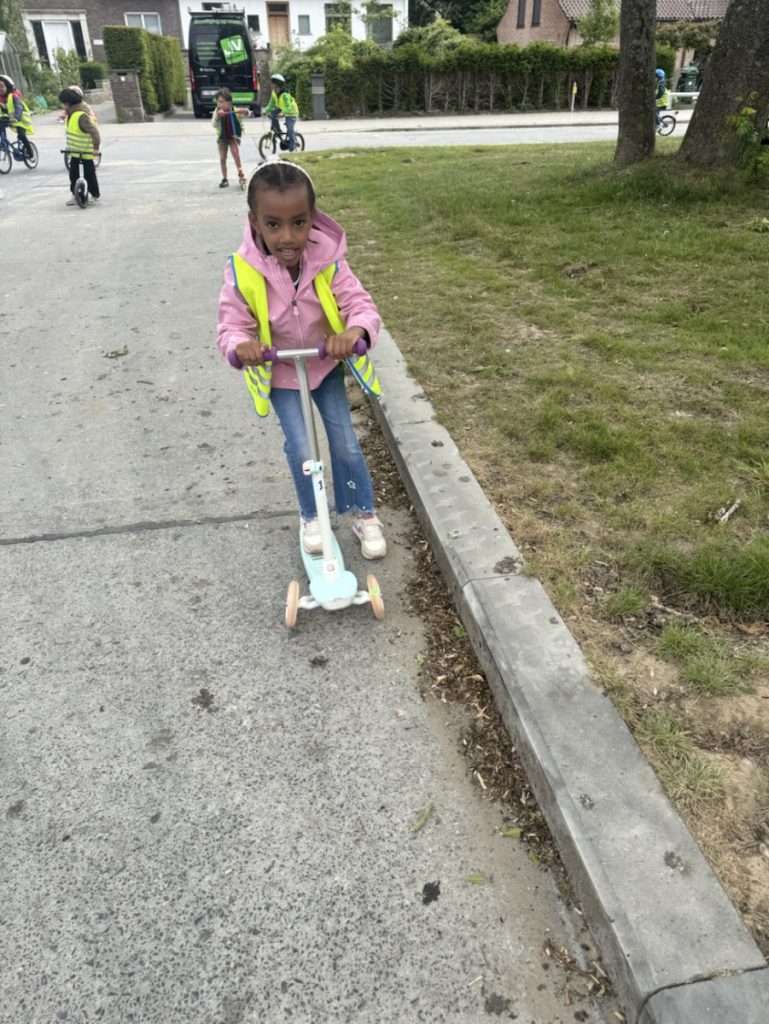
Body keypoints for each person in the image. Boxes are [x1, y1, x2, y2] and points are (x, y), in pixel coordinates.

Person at [217, 161, 387, 559]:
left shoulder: (329, 261)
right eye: (273, 225)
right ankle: (311, 516)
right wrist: (241, 345)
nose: (288, 237)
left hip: (324, 365)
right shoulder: (242, 270)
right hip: (280, 371)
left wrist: (355, 332)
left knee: (345, 442)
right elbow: (231, 324)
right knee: (301, 448)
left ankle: (363, 512)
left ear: (313, 219)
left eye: (298, 223)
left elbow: (359, 304)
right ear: (255, 223)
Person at [59, 87, 101, 206]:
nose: (62, 106)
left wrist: (96, 148)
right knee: (73, 174)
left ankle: (95, 195)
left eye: (63, 104)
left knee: (89, 174)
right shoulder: (70, 114)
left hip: (87, 152)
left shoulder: (81, 116)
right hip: (74, 152)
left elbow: (94, 132)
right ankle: (75, 194)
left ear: (67, 104)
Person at [212, 88, 246, 188]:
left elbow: (246, 114)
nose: (219, 104)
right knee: (223, 158)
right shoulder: (217, 112)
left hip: (232, 136)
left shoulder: (235, 110)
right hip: (222, 138)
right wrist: (218, 116)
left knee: (236, 155)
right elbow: (214, 125)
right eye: (218, 102)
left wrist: (245, 111)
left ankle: (241, 175)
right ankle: (225, 179)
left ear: (229, 102)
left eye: (222, 102)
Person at [0, 75, 35, 159]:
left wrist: (16, 117)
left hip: (21, 120)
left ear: (8, 86)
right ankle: (3, 143)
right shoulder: (1, 99)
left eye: (2, 87)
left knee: (21, 135)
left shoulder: (14, 96)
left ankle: (30, 151)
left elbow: (18, 108)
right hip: (10, 119)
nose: (1, 90)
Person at [263, 73, 299, 153]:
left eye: (276, 87)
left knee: (290, 129)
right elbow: (271, 104)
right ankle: (278, 130)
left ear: (281, 87)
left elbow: (288, 107)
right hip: (282, 109)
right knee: (272, 114)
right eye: (273, 87)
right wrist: (265, 111)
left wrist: (283, 114)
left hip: (291, 112)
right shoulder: (274, 94)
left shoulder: (285, 95)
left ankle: (293, 146)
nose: (274, 89)